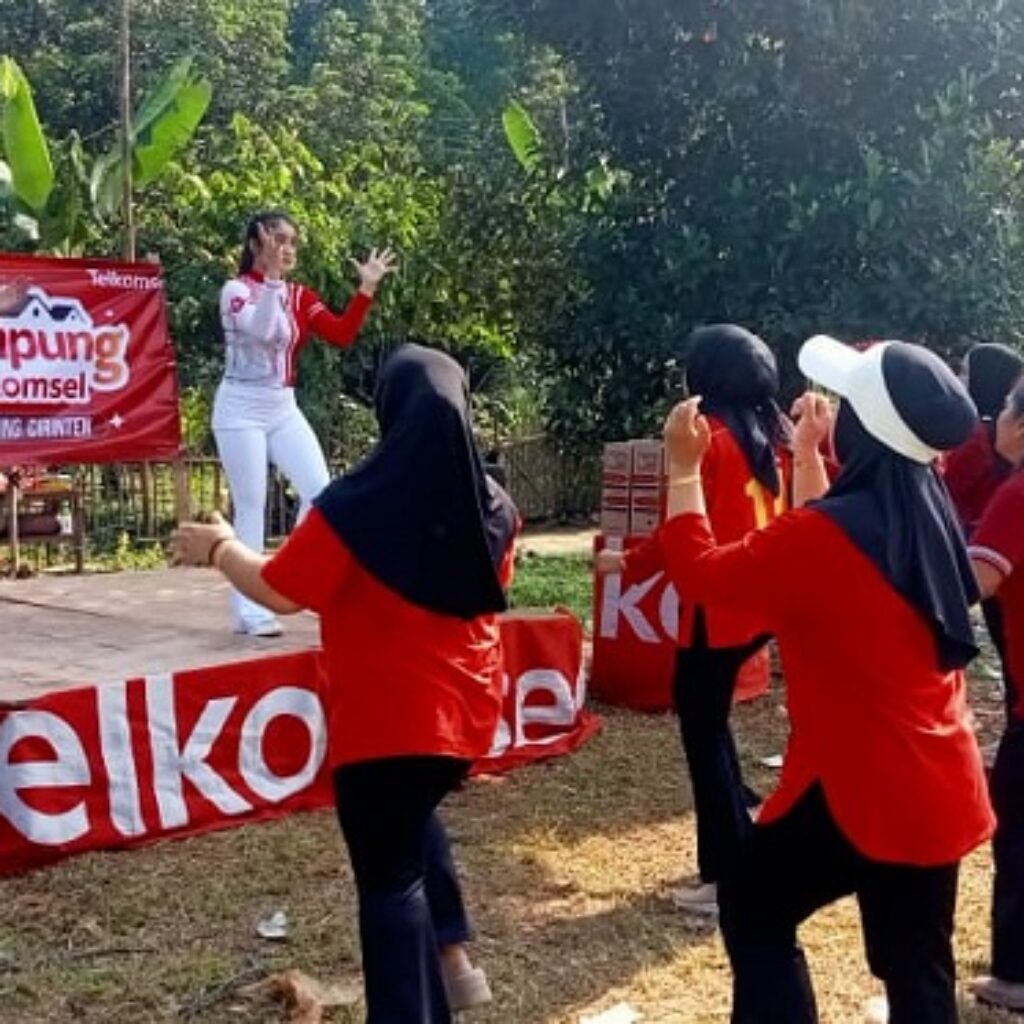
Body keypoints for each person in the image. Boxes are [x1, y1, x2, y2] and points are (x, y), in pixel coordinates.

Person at [174, 344, 518, 1022]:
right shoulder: (498, 507)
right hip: (466, 718)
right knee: (411, 836)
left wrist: (217, 547)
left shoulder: (356, 507)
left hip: (385, 726)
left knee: (389, 886)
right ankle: (453, 966)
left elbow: (277, 591)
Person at [657, 335, 994, 1024]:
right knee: (918, 970)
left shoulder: (827, 537)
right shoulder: (925, 508)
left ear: (865, 427)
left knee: (752, 907)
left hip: (857, 785)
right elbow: (823, 537)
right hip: (938, 784)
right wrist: (808, 454)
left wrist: (682, 471)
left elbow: (702, 575)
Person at [597, 325, 829, 915]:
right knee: (712, 726)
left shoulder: (707, 441)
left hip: (713, 605)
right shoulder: (778, 438)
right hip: (758, 604)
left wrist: (627, 559)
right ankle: (739, 831)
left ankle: (725, 872)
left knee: (704, 732)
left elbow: (682, 530)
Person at [212, 210, 397, 636]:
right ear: (257, 243)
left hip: (282, 405)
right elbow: (260, 332)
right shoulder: (235, 290)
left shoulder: (299, 295)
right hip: (240, 406)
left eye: (292, 241)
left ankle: (293, 577)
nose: (288, 248)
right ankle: (250, 608)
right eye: (278, 239)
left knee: (322, 492)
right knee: (253, 503)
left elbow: (341, 333)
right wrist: (272, 278)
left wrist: (366, 288)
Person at [966, 376, 1024, 1013]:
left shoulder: (1017, 495)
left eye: (1005, 408)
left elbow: (967, 585)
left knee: (1018, 833)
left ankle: (1015, 972)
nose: (995, 420)